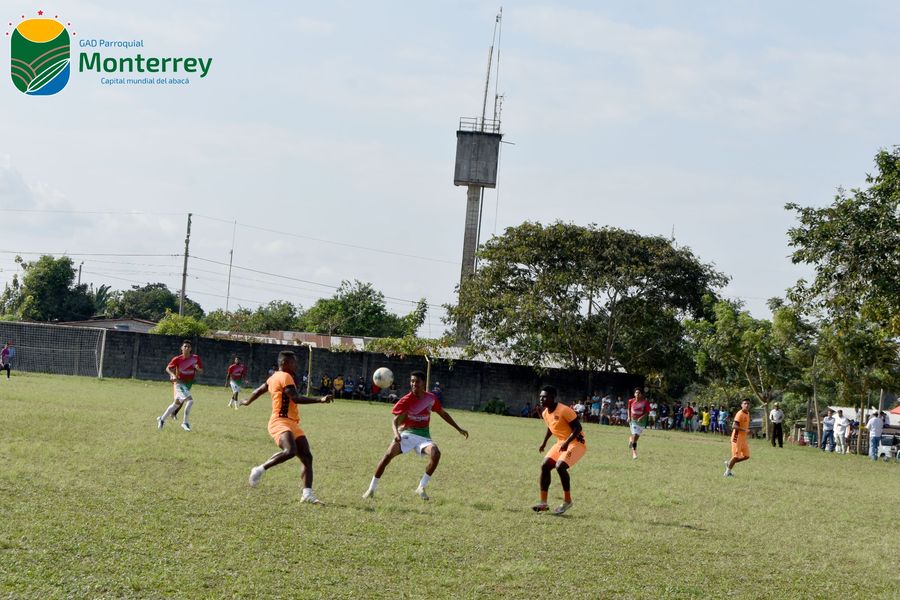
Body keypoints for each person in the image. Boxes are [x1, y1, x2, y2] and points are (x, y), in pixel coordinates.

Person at [242, 350, 333, 503]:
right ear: (284, 363)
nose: (296, 365)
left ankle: (307, 495)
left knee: (307, 457)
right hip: (280, 421)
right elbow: (295, 398)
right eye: (293, 362)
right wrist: (320, 399)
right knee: (290, 451)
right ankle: (259, 469)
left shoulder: (273, 377)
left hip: (292, 423)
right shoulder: (285, 376)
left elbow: (259, 390)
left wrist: (247, 401)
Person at [362, 371, 468, 501]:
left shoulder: (431, 398)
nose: (414, 384)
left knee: (436, 453)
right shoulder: (406, 400)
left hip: (423, 437)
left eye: (417, 381)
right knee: (387, 456)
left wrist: (458, 429)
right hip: (407, 434)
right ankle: (371, 489)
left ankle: (421, 487)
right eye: (412, 381)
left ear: (423, 383)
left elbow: (443, 413)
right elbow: (395, 421)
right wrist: (396, 434)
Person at [532, 385, 586, 515]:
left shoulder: (564, 410)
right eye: (540, 397)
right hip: (561, 442)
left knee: (560, 466)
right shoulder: (545, 413)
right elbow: (551, 427)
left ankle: (567, 501)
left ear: (552, 397)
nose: (541, 399)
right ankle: (543, 503)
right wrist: (544, 443)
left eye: (545, 397)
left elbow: (578, 428)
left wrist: (567, 443)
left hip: (576, 443)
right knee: (545, 465)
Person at [157, 340, 203, 432]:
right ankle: (185, 422)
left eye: (188, 346)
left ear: (191, 349)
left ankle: (162, 419)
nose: (187, 348)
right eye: (185, 346)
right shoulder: (177, 359)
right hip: (179, 383)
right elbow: (168, 368)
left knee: (176, 404)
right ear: (181, 348)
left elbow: (201, 371)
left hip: (188, 383)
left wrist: (198, 369)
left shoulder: (196, 358)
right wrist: (173, 375)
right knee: (190, 401)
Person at [724, 399, 752, 477]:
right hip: (737, 438)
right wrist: (745, 430)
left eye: (748, 404)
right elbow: (734, 426)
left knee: (746, 456)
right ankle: (727, 473)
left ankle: (729, 464)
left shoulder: (747, 413)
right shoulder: (739, 414)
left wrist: (748, 431)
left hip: (743, 438)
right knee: (736, 456)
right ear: (741, 405)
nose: (746, 405)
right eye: (745, 403)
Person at [627, 388, 650, 460]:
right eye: (636, 393)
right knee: (635, 435)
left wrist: (641, 417)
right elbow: (629, 409)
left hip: (642, 422)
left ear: (641, 395)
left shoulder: (645, 402)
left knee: (636, 438)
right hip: (633, 421)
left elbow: (647, 412)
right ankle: (634, 452)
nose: (637, 394)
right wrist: (629, 417)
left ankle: (630, 439)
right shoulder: (631, 401)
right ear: (634, 394)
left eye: (639, 393)